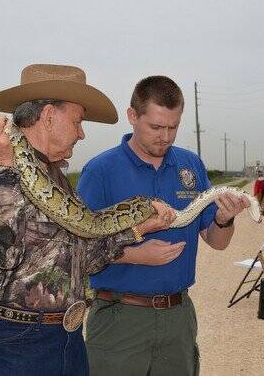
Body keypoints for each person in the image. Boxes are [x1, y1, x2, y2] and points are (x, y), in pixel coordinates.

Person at [0, 64, 183, 376]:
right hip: (16, 343)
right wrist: (2, 167)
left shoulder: (57, 179)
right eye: (78, 121)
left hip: (65, 337)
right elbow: (1, 255)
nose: (82, 133)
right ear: (49, 116)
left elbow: (85, 258)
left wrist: (137, 229)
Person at [76, 75, 250, 376]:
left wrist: (225, 218)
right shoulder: (101, 170)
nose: (166, 137)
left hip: (178, 316)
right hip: (119, 318)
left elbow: (217, 241)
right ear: (133, 116)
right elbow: (77, 249)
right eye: (156, 127)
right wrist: (137, 255)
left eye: (173, 127)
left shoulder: (190, 166)